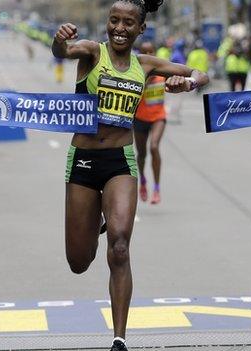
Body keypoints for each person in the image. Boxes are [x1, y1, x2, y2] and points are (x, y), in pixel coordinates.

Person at [52, 1, 209, 349]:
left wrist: (189, 82)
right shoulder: (92, 54)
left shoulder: (146, 65)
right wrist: (59, 40)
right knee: (79, 262)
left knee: (120, 247)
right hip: (83, 161)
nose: (120, 28)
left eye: (128, 23)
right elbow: (63, 51)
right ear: (108, 24)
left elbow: (200, 72)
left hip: (120, 162)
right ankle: (96, 219)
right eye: (114, 21)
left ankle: (119, 339)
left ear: (141, 30)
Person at [133, 42, 167, 205]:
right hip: (139, 118)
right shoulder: (136, 73)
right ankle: (143, 181)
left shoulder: (163, 71)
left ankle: (157, 188)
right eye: (144, 52)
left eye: (150, 51)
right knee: (142, 154)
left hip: (158, 117)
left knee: (154, 147)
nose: (148, 54)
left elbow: (178, 76)